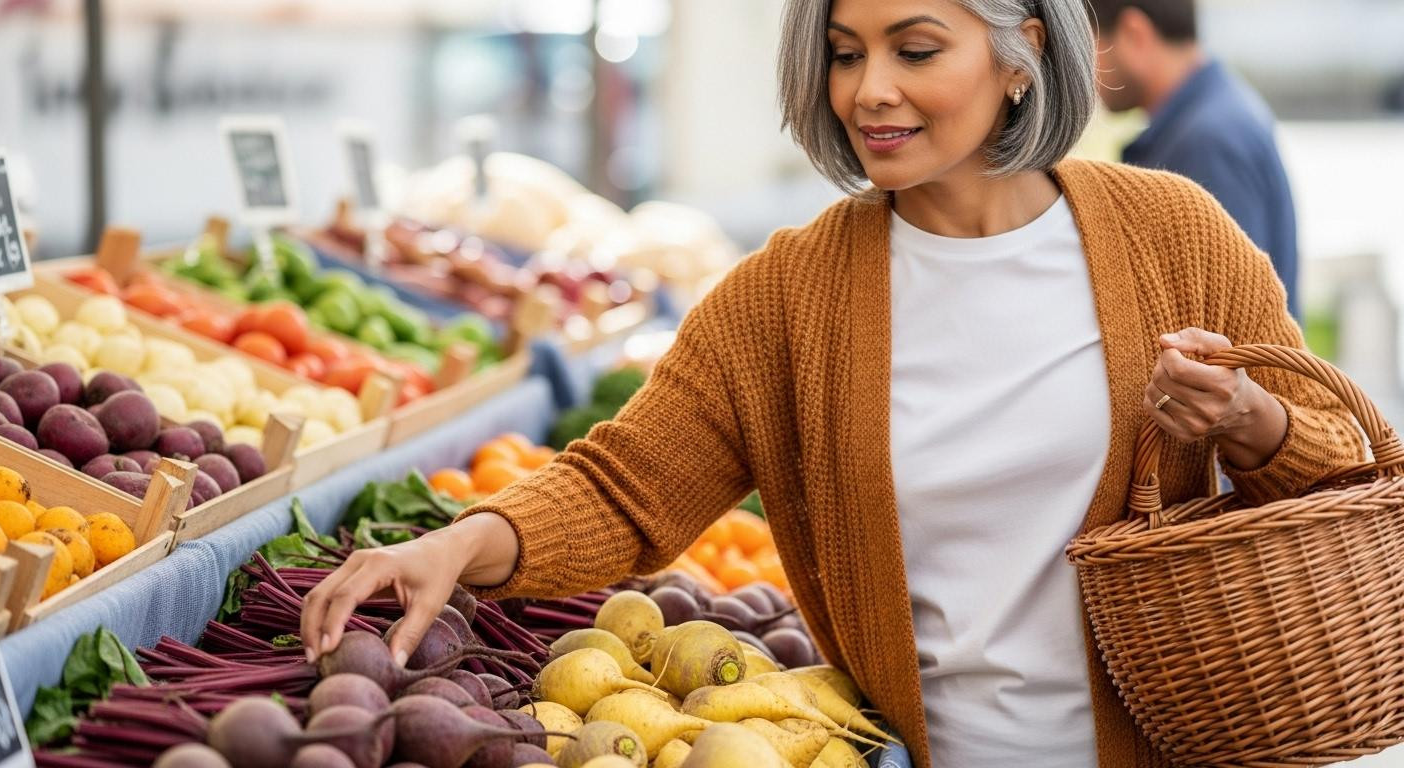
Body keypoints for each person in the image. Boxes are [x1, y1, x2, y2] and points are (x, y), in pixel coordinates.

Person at [300, 1, 1362, 765]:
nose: (868, 90)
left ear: (1020, 53)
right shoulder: (788, 296)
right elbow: (627, 486)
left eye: (915, 47)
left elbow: (1342, 468)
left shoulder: (1172, 234)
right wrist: (454, 543)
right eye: (845, 52)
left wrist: (1255, 425)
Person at [1085, 0, 1302, 319]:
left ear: (1135, 33)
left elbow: (1228, 325)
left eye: (1091, 43)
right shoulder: (1214, 117)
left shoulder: (1207, 142)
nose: (1087, 68)